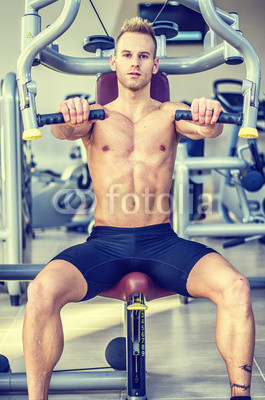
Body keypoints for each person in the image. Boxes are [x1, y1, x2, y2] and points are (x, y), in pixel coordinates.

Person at [23, 17, 255, 400]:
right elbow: (64, 129)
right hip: (104, 244)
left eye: (143, 56)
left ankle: (241, 396)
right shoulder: (95, 115)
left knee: (236, 287)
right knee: (41, 292)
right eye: (127, 55)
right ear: (113, 62)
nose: (135, 62)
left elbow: (207, 129)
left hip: (161, 242)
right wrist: (70, 112)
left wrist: (208, 113)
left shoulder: (171, 114)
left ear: (155, 64)